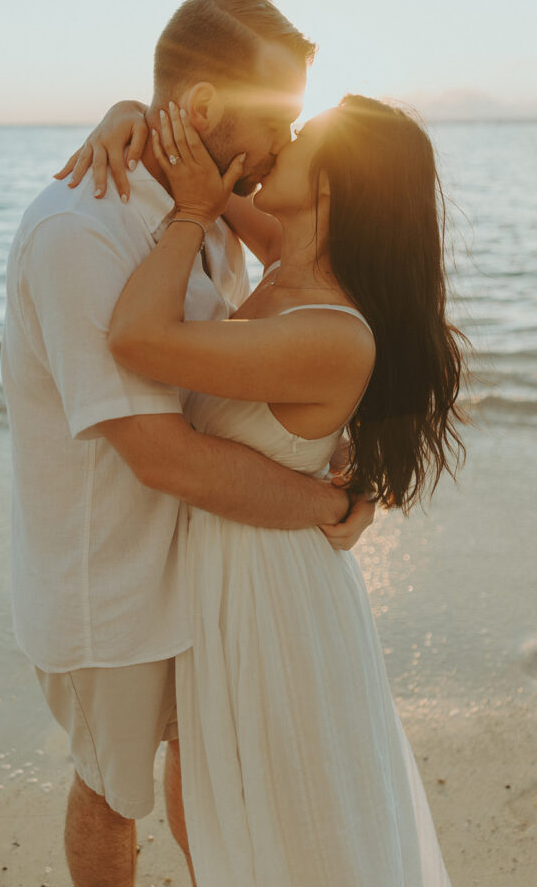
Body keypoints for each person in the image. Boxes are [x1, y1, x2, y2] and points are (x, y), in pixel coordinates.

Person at [1, 0, 374, 887]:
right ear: (203, 109)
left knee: (210, 782)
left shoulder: (202, 206)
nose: (285, 144)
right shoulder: (78, 233)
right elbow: (160, 451)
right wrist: (327, 502)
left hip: (205, 572)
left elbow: (288, 320)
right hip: (113, 591)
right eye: (274, 121)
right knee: (111, 795)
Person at [75, 92, 465, 885]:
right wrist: (127, 113)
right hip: (235, 580)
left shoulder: (330, 331)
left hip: (273, 601)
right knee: (245, 817)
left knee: (291, 821)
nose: (278, 143)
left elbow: (136, 339)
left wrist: (187, 215)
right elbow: (225, 188)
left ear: (330, 190)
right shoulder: (294, 262)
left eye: (299, 140)